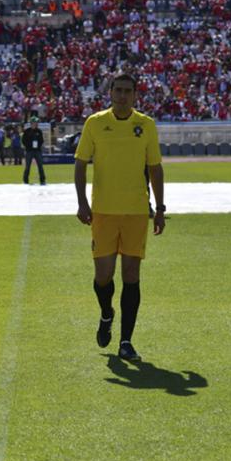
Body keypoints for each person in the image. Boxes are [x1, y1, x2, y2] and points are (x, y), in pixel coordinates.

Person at [74, 73, 165, 362]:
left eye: (128, 91)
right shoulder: (96, 123)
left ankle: (126, 341)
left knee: (131, 276)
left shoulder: (146, 125)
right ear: (110, 92)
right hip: (103, 211)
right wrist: (81, 203)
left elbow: (155, 168)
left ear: (136, 95)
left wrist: (160, 208)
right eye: (118, 90)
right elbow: (79, 164)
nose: (123, 95)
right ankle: (106, 313)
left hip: (137, 212)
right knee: (103, 277)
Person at [22, 117, 46, 185]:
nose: (36, 124)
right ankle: (25, 180)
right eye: (35, 122)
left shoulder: (39, 131)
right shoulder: (27, 131)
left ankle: (42, 180)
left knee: (40, 166)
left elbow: (41, 140)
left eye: (37, 123)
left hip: (37, 151)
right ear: (32, 123)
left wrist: (38, 145)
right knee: (27, 166)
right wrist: (29, 146)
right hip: (29, 151)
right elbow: (23, 141)